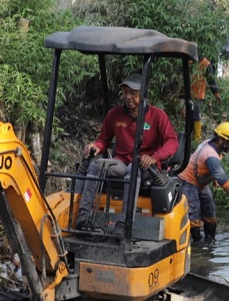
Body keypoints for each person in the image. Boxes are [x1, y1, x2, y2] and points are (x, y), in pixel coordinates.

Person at [76, 73, 179, 229]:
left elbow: (172, 141)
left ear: (143, 93)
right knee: (96, 166)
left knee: (134, 168)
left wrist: (154, 157)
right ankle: (83, 218)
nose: (128, 96)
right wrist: (96, 146)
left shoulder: (157, 115)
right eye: (125, 92)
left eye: (133, 93)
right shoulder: (114, 114)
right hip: (122, 162)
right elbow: (104, 139)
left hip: (146, 167)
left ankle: (125, 222)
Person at [178, 122, 229, 246]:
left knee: (210, 212)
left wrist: (212, 178)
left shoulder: (211, 145)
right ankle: (197, 245)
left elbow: (205, 166)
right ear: (221, 140)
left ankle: (210, 242)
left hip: (200, 182)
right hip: (188, 182)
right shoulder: (210, 154)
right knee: (194, 217)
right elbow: (223, 179)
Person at [190, 56, 221, 142]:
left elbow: (211, 80)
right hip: (186, 93)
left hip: (198, 95)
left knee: (196, 114)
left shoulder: (206, 64)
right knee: (189, 115)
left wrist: (216, 94)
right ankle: (189, 135)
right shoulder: (189, 60)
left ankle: (197, 138)